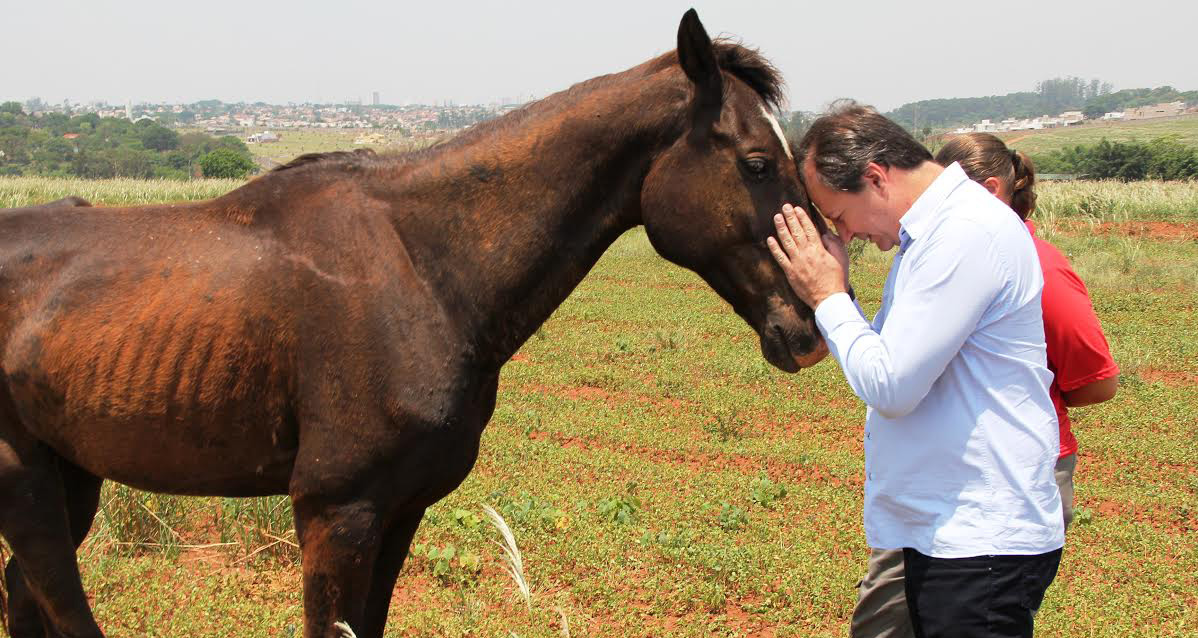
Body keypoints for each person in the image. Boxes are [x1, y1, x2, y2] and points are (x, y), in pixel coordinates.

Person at [766, 102, 1064, 638]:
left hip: (979, 541)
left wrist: (829, 294)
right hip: (951, 532)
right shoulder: (931, 236)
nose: (846, 233)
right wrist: (838, 292)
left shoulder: (963, 234)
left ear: (875, 178)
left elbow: (891, 385)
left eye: (838, 214)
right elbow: (883, 354)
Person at [844, 133, 1123, 638]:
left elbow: (1095, 382)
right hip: (940, 480)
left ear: (989, 191)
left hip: (997, 482)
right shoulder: (928, 254)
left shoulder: (1032, 263)